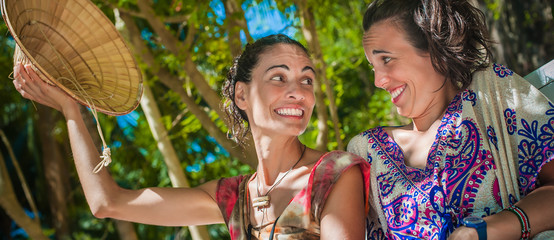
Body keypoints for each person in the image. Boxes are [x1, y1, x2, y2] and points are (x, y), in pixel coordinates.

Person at [13, 34, 370, 239]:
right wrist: (71, 110)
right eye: (279, 77)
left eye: (307, 80)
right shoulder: (234, 199)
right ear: (241, 95)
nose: (298, 92)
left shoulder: (336, 174)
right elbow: (107, 202)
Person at [347, 0, 554, 239]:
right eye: (373, 68)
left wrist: (487, 230)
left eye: (387, 60)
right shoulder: (367, 151)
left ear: (433, 47)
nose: (378, 81)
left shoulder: (490, 95)